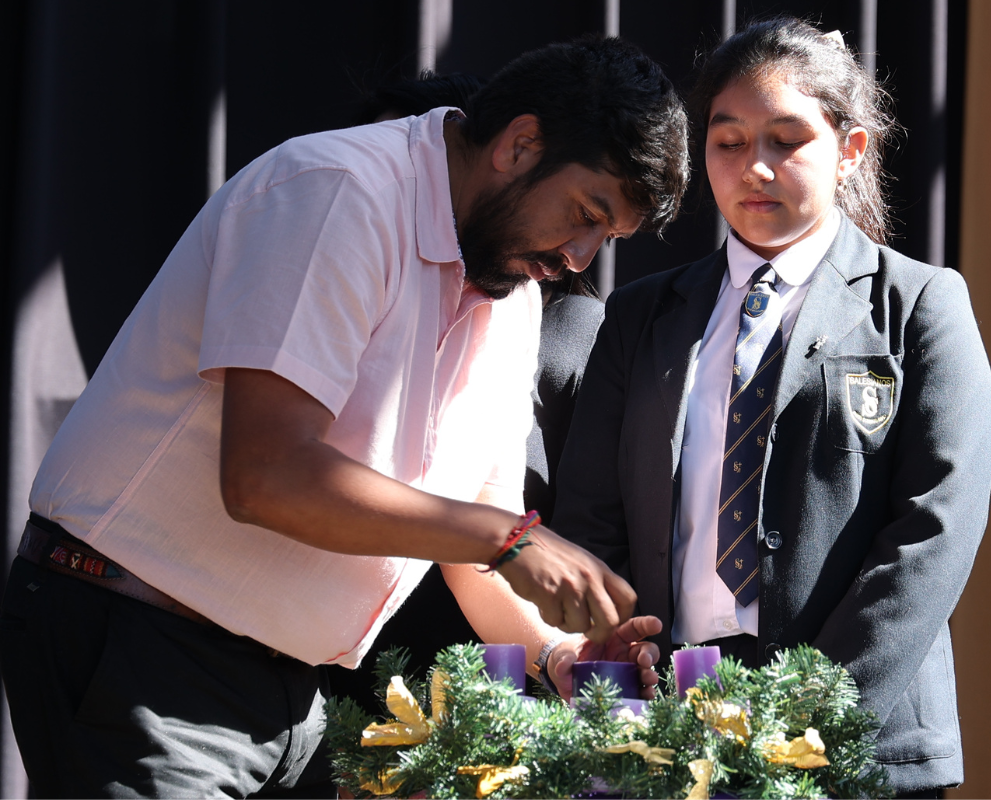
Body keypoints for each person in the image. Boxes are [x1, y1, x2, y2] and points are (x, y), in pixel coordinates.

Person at [0, 37, 689, 797]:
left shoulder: (514, 295)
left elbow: (474, 538)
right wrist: (511, 540)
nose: (580, 256)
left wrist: (566, 654)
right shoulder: (338, 188)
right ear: (519, 144)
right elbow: (267, 475)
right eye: (585, 214)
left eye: (607, 237)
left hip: (288, 692)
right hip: (147, 651)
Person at [553, 18, 991, 796]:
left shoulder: (922, 303)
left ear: (849, 150)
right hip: (666, 724)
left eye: (786, 140)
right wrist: (618, 672)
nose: (754, 167)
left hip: (855, 734)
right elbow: (592, 515)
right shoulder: (640, 314)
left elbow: (935, 529)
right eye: (729, 142)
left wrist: (815, 711)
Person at [330, 71, 609, 703]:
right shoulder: (332, 204)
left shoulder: (532, 315)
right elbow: (272, 473)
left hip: (470, 679)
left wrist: (563, 650)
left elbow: (503, 514)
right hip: (307, 656)